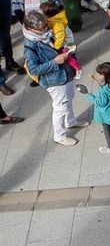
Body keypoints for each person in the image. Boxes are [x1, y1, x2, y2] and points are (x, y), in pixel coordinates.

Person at [22, 10, 88, 145]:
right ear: (31, 29)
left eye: (46, 25)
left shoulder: (47, 32)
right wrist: (54, 62)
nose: (46, 28)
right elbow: (34, 70)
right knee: (60, 107)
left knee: (69, 97)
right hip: (54, 80)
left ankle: (71, 121)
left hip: (65, 72)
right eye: (42, 28)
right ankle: (59, 136)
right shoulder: (30, 46)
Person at [40, 1, 81, 79]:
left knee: (67, 57)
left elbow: (61, 36)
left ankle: (77, 68)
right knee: (70, 55)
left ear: (47, 15)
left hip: (64, 43)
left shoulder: (56, 24)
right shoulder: (56, 18)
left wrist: (56, 47)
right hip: (67, 41)